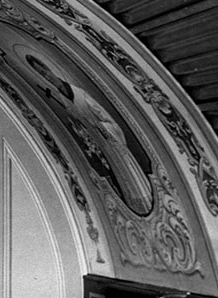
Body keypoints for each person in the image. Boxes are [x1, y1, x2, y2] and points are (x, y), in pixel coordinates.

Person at [25, 54, 153, 214]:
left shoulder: (79, 94)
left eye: (45, 72)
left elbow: (107, 119)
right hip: (103, 148)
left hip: (112, 141)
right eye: (41, 75)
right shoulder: (64, 100)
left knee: (130, 174)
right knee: (119, 178)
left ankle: (146, 202)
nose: (46, 77)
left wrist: (100, 127)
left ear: (50, 69)